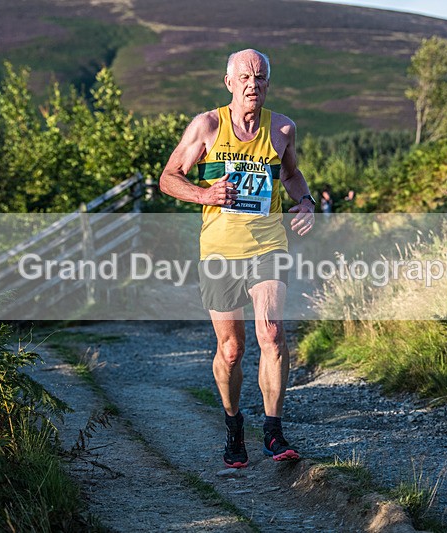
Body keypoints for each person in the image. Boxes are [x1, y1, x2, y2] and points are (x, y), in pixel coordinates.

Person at [159, 49, 315, 468]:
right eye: (244, 77)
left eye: (260, 77)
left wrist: (305, 201)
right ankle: (233, 425)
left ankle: (273, 431)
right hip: (219, 251)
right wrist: (203, 194)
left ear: (268, 83)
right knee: (230, 350)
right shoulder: (207, 126)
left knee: (272, 332)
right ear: (229, 82)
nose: (253, 84)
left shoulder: (282, 128)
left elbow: (291, 174)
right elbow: (168, 178)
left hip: (268, 245)